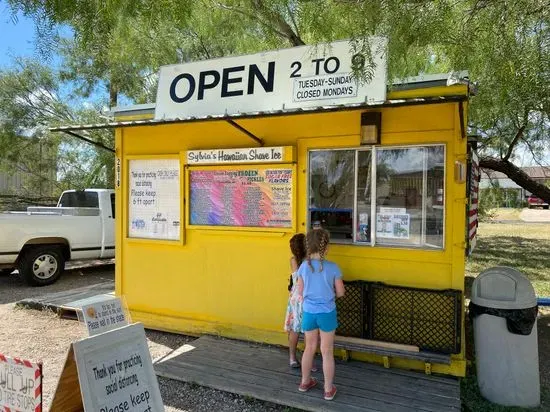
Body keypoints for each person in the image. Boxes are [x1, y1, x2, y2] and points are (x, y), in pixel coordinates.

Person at [296, 228, 345, 401]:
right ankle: (328, 389)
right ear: (326, 247)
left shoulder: (303, 267)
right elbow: (340, 293)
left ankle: (304, 382)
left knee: (309, 348)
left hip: (309, 312)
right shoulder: (333, 268)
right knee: (327, 351)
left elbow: (300, 292)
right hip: (327, 313)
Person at [283, 233, 306, 368]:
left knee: (294, 328)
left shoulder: (293, 260)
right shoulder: (309, 261)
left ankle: (292, 357)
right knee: (309, 329)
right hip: (305, 296)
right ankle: (307, 359)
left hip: (294, 297)